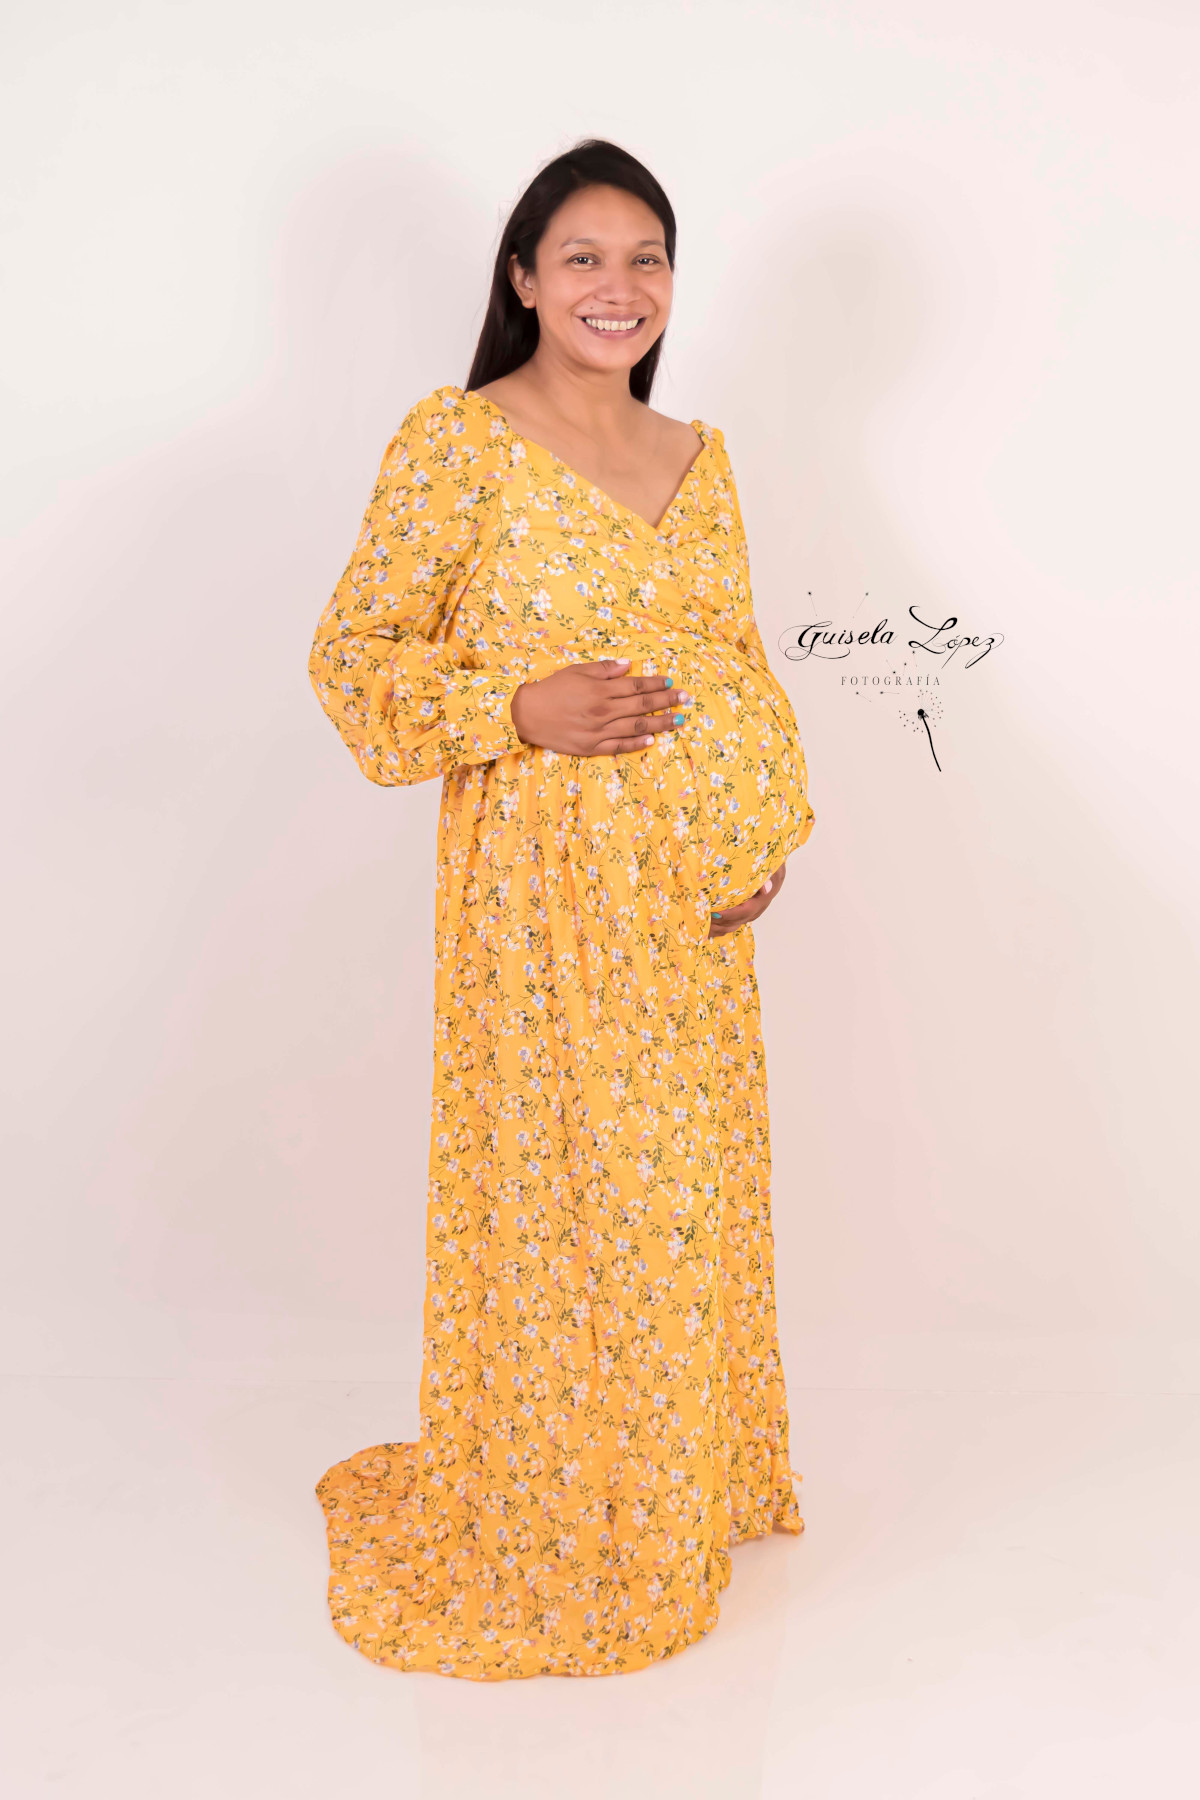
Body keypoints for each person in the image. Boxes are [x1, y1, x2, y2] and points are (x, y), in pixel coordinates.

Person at [308, 138, 816, 1680]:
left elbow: (733, 662)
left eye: (647, 258)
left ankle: (670, 1493)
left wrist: (762, 828)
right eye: (583, 256)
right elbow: (354, 660)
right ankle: (563, 1507)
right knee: (567, 1210)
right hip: (538, 920)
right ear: (524, 278)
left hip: (690, 917)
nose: (619, 286)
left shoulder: (699, 457)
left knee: (677, 1199)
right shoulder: (458, 443)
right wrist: (516, 705)